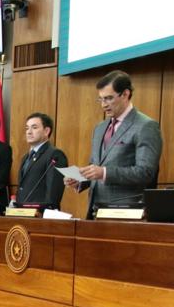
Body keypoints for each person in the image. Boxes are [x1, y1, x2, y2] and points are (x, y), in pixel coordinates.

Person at [65, 70, 163, 218]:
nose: (104, 105)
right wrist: (80, 180)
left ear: (125, 94)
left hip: (126, 212)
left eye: (109, 98)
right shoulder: (99, 128)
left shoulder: (146, 126)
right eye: (101, 99)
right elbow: (96, 166)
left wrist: (104, 172)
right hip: (95, 211)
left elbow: (145, 172)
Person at [15, 112, 68, 208]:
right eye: (27, 128)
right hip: (23, 213)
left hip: (41, 215)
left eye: (34, 127)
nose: (29, 132)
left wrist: (44, 213)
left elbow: (53, 193)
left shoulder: (55, 155)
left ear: (46, 131)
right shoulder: (26, 157)